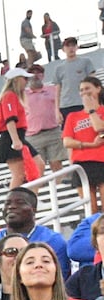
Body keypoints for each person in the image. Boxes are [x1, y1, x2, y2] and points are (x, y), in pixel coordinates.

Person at [0, 187, 70, 277]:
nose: (11, 207)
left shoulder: (53, 241)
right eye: (7, 203)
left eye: (20, 203)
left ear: (34, 209)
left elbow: (60, 281)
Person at [63, 75, 104, 214]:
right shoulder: (73, 116)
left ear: (98, 89)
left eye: (88, 89)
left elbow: (100, 129)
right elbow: (67, 141)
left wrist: (92, 110)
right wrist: (90, 145)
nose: (84, 93)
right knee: (90, 210)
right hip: (81, 163)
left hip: (101, 161)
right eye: (81, 90)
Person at [0, 67, 37, 189]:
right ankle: (14, 202)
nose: (27, 81)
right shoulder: (9, 95)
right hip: (12, 137)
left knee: (36, 165)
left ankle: (29, 196)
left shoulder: (12, 96)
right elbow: (10, 119)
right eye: (24, 79)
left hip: (17, 136)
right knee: (19, 174)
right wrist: (15, 140)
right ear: (16, 80)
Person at [25, 64, 66, 175]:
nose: (36, 76)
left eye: (38, 73)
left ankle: (59, 188)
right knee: (38, 168)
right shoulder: (24, 94)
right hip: (33, 135)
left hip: (52, 131)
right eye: (33, 73)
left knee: (56, 164)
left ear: (43, 75)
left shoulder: (52, 90)